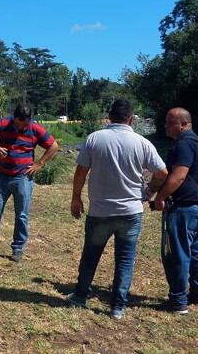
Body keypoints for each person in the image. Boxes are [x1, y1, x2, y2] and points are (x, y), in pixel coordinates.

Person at [66, 99, 168, 319]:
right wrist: (149, 191)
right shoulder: (142, 143)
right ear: (131, 119)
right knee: (125, 259)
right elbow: (162, 173)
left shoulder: (94, 138)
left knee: (90, 256)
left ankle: (80, 295)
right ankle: (117, 307)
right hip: (131, 212)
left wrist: (76, 198)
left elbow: (80, 173)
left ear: (109, 116)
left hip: (100, 212)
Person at [0, 103, 59, 262]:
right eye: (19, 124)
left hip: (23, 178)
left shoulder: (35, 129)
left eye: (24, 124)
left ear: (29, 120)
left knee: (22, 215)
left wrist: (39, 164)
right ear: (14, 118)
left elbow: (53, 146)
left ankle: (18, 248)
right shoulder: (2, 124)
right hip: (2, 176)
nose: (21, 127)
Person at [154, 107, 198, 314]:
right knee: (196, 251)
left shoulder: (184, 145)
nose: (166, 126)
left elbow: (178, 176)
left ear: (184, 124)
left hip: (184, 207)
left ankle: (179, 301)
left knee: (179, 253)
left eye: (171, 123)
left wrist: (160, 197)